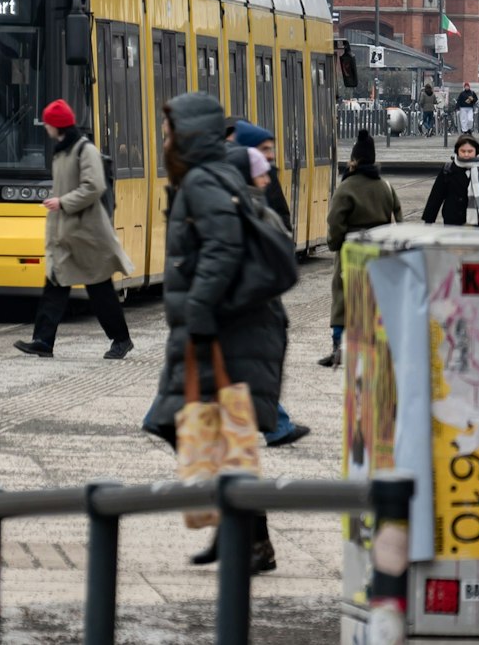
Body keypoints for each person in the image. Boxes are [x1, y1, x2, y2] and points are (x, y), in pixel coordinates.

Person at [142, 92, 285, 575]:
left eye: (169, 134)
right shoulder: (208, 177)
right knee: (219, 437)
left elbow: (223, 249)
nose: (164, 142)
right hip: (228, 327)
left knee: (180, 423)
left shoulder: (203, 181)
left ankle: (243, 534)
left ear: (189, 138)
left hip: (226, 330)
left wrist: (200, 310)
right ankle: (243, 535)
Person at [15, 99, 135, 360]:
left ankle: (121, 339)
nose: (45, 127)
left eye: (47, 122)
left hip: (88, 235)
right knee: (55, 284)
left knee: (100, 290)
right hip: (68, 234)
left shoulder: (84, 150)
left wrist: (62, 202)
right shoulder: (63, 151)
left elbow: (94, 186)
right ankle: (43, 341)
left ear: (56, 125)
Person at [321, 129, 402, 367]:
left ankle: (338, 346)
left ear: (354, 160)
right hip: (380, 251)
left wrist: (335, 244)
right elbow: (398, 218)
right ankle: (376, 343)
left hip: (351, 249)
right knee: (376, 297)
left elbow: (335, 221)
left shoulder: (346, 187)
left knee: (342, 297)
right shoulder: (386, 186)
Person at [421, 135, 479, 228]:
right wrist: (428, 220)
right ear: (457, 151)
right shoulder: (448, 169)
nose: (466, 154)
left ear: (476, 151)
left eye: (470, 151)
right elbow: (436, 196)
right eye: (463, 151)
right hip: (454, 220)